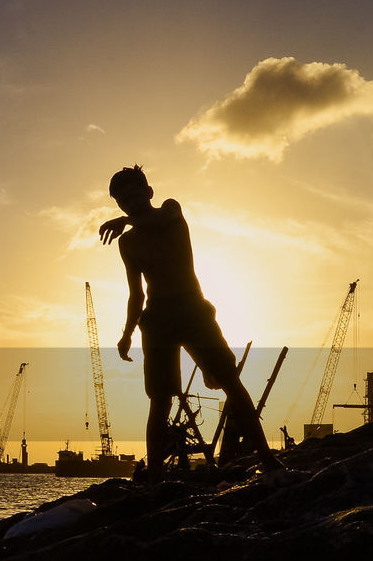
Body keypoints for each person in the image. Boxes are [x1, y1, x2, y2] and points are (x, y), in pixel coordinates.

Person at [98, 166, 281, 483]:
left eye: (134, 194)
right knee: (160, 400)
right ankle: (153, 479)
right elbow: (136, 293)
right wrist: (126, 333)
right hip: (156, 320)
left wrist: (127, 221)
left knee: (230, 383)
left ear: (149, 192)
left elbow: (156, 220)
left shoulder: (170, 211)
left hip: (193, 309)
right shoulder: (127, 243)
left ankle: (268, 459)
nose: (129, 203)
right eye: (121, 200)